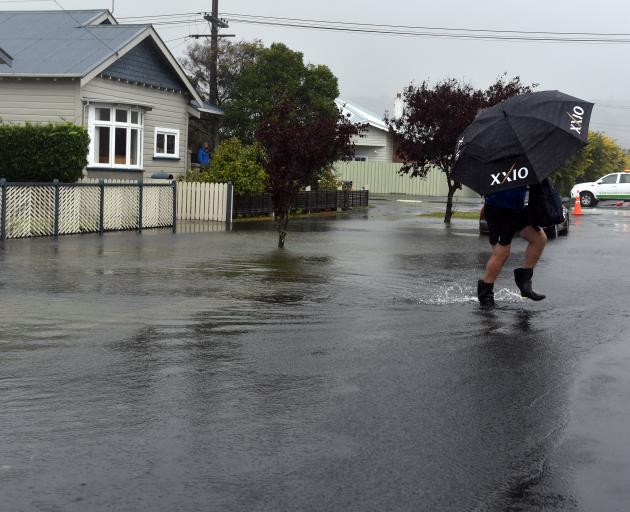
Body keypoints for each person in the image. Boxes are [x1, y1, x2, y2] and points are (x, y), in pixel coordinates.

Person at [477, 185, 547, 307]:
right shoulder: (498, 165)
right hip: (499, 209)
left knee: (539, 239)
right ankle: (485, 296)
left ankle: (524, 282)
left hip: (517, 209)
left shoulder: (524, 165)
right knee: (502, 253)